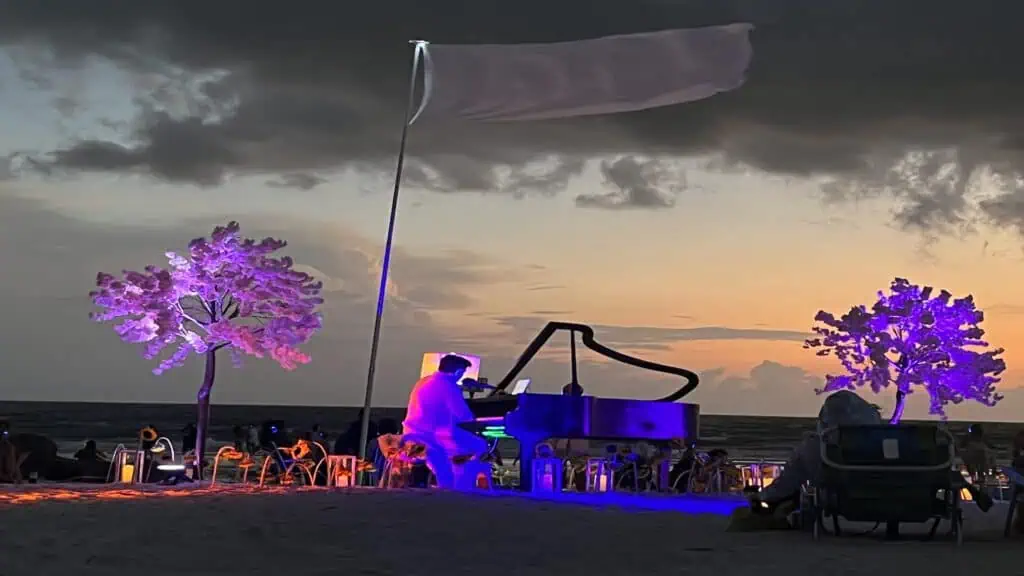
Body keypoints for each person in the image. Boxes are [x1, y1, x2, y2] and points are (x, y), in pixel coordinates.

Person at [750, 390, 993, 513]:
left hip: (848, 501)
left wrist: (762, 498)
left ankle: (768, 504)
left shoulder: (818, 447)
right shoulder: (891, 447)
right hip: (910, 503)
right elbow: (932, 472)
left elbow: (790, 480)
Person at [402, 353, 491, 490]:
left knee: (462, 448)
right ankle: (464, 485)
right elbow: (465, 417)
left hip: (412, 433)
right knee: (480, 445)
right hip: (431, 438)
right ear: (458, 371)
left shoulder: (423, 381)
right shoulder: (448, 386)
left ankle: (456, 480)